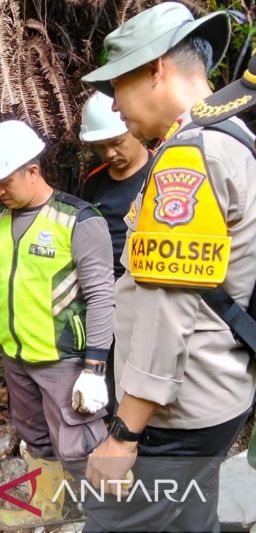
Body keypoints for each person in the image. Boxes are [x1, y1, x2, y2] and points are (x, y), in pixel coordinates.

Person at [81, 3, 256, 531]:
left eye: (118, 85)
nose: (114, 106)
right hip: (222, 391)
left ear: (156, 68)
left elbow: (168, 302)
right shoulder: (237, 139)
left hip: (176, 412)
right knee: (189, 520)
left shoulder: (188, 156)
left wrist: (125, 434)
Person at [0, 120, 114, 529]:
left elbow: (102, 295)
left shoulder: (78, 220)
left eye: (5, 181)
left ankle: (111, 517)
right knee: (35, 436)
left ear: (33, 170)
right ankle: (51, 505)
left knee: (78, 442)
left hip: (64, 358)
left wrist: (94, 370)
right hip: (17, 354)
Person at [78, 92, 152, 415]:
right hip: (103, 295)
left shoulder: (160, 172)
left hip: (147, 291)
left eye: (117, 142)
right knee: (106, 372)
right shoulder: (95, 183)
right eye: (99, 146)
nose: (109, 153)